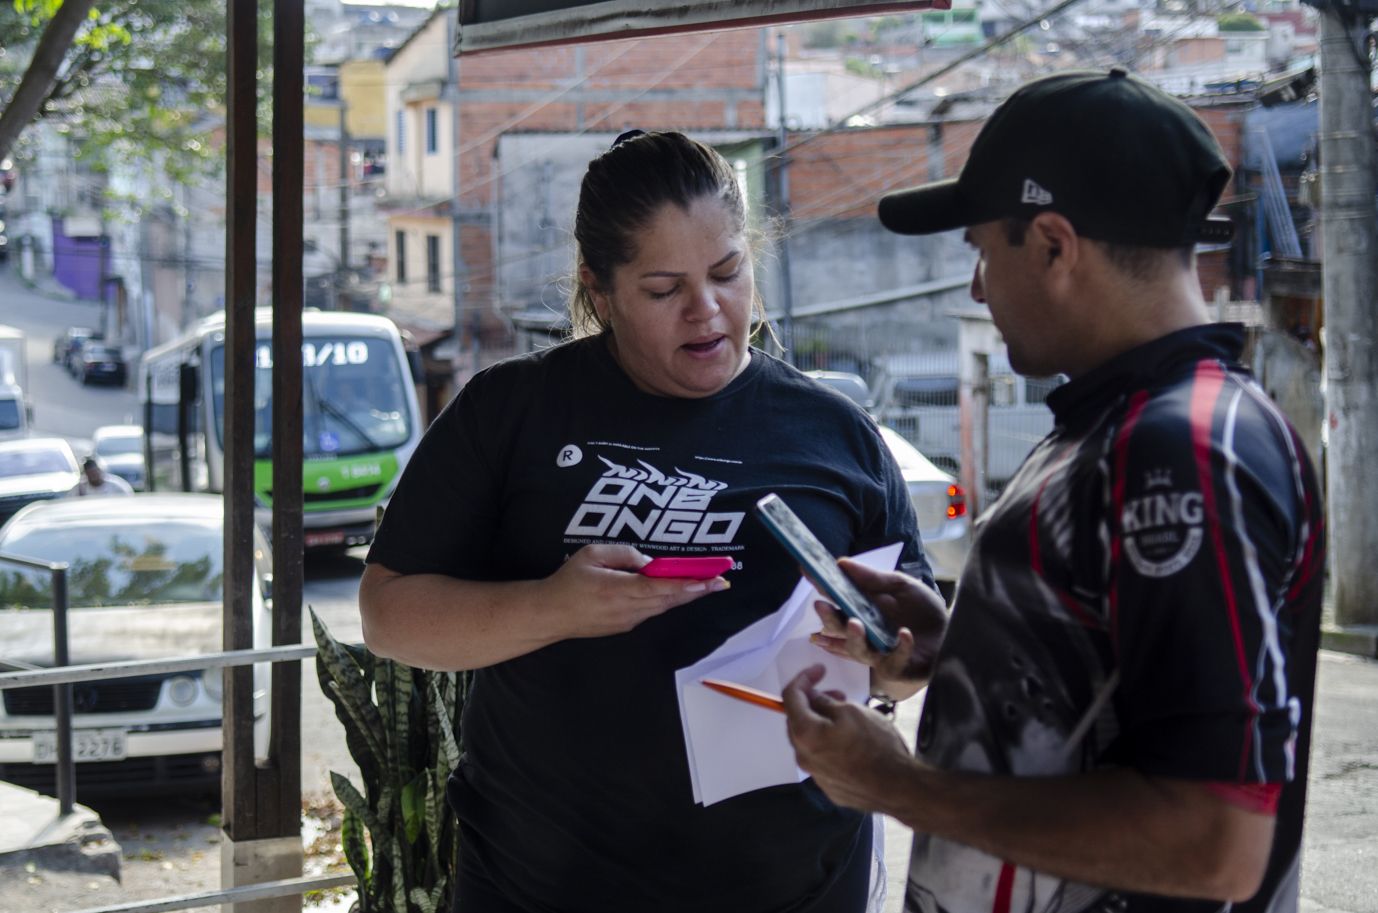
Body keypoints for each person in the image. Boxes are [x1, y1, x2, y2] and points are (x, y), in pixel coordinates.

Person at [781, 68, 1326, 913]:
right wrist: (965, 643)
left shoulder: (1183, 450)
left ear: (1052, 245)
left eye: (982, 254)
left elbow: (1215, 839)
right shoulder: (1117, 425)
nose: (976, 289)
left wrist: (901, 785)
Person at [360, 130, 936, 913]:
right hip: (544, 888)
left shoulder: (835, 430)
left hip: (797, 884)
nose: (707, 311)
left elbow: (902, 665)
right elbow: (389, 618)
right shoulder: (512, 411)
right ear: (600, 291)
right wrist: (550, 608)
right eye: (664, 290)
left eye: (728, 272)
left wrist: (895, 657)